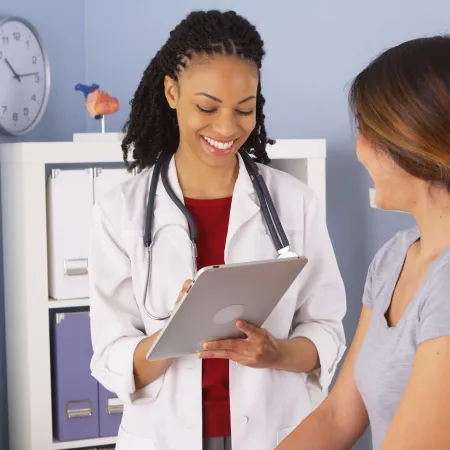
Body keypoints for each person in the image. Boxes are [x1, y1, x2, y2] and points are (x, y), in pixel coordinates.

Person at [88, 9, 346, 450]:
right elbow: (111, 357)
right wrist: (175, 334)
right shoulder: (119, 211)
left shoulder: (294, 202)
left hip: (274, 431)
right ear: (171, 92)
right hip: (164, 435)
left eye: (245, 109)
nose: (227, 128)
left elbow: (326, 329)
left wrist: (277, 352)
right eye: (207, 107)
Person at [277, 35, 450, 450]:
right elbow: (337, 417)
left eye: (368, 132)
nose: (359, 149)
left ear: (411, 143)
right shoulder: (394, 257)